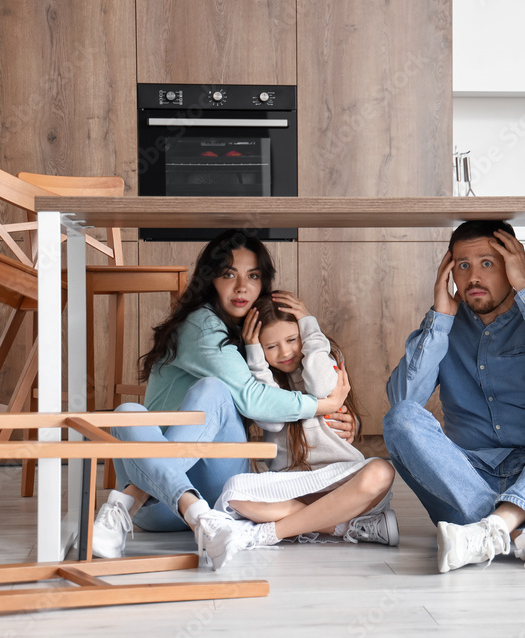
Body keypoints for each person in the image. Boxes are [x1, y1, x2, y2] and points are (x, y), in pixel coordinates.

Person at [91, 229, 355, 570]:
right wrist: (324, 406)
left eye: (253, 276)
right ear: (210, 280)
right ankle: (197, 516)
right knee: (129, 412)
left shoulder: (251, 338)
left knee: (209, 392)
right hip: (174, 509)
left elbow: (274, 398)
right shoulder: (202, 326)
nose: (242, 287)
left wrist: (331, 419)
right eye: (229, 274)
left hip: (195, 492)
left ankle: (125, 504)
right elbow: (252, 399)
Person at [384, 220, 525, 573]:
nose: (473, 277)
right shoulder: (442, 325)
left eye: (487, 263)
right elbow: (404, 401)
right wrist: (441, 318)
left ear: (513, 264)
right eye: (463, 265)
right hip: (465, 483)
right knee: (400, 418)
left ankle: (492, 530)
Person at [211, 292, 398, 548]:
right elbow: (272, 420)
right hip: (294, 485)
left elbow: (321, 387)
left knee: (382, 470)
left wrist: (310, 325)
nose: (285, 352)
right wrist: (254, 356)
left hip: (342, 481)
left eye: (292, 339)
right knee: (234, 493)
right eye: (271, 346)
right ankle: (345, 528)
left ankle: (270, 533)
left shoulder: (322, 361)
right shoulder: (263, 381)